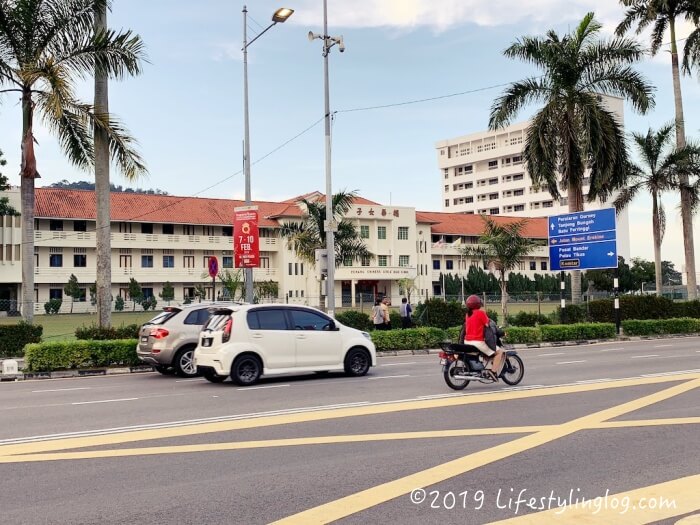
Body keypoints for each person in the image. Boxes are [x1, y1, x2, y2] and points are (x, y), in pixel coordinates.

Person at [462, 294, 505, 378]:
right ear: (478, 304)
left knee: (486, 351)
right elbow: (488, 325)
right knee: (499, 352)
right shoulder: (481, 313)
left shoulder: (467, 314)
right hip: (478, 342)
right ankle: (493, 372)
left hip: (467, 341)